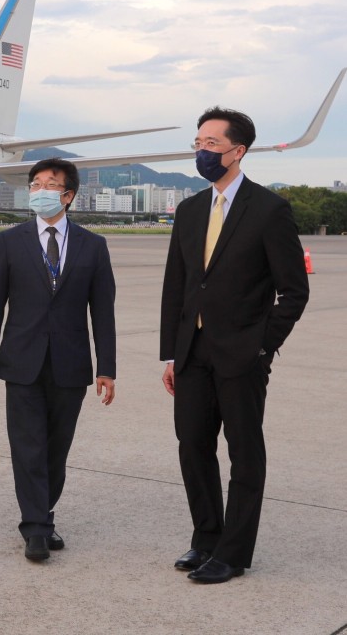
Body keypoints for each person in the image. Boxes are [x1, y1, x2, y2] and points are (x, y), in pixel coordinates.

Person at [161, 107, 309, 584]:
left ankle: (233, 553)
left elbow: (294, 291)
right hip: (192, 354)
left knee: (244, 453)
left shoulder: (269, 210)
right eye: (198, 143)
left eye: (211, 144)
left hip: (242, 356)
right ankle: (205, 537)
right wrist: (172, 352)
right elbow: (176, 287)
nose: (202, 152)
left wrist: (262, 346)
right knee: (192, 445)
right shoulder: (188, 210)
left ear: (237, 151)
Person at [0, 157, 116, 562]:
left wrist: (106, 367)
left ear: (68, 195)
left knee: (57, 449)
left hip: (71, 364)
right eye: (34, 184)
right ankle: (35, 527)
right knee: (27, 446)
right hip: (20, 361)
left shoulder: (93, 245)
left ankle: (44, 513)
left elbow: (103, 312)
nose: (39, 191)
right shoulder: (9, 241)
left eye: (49, 184)